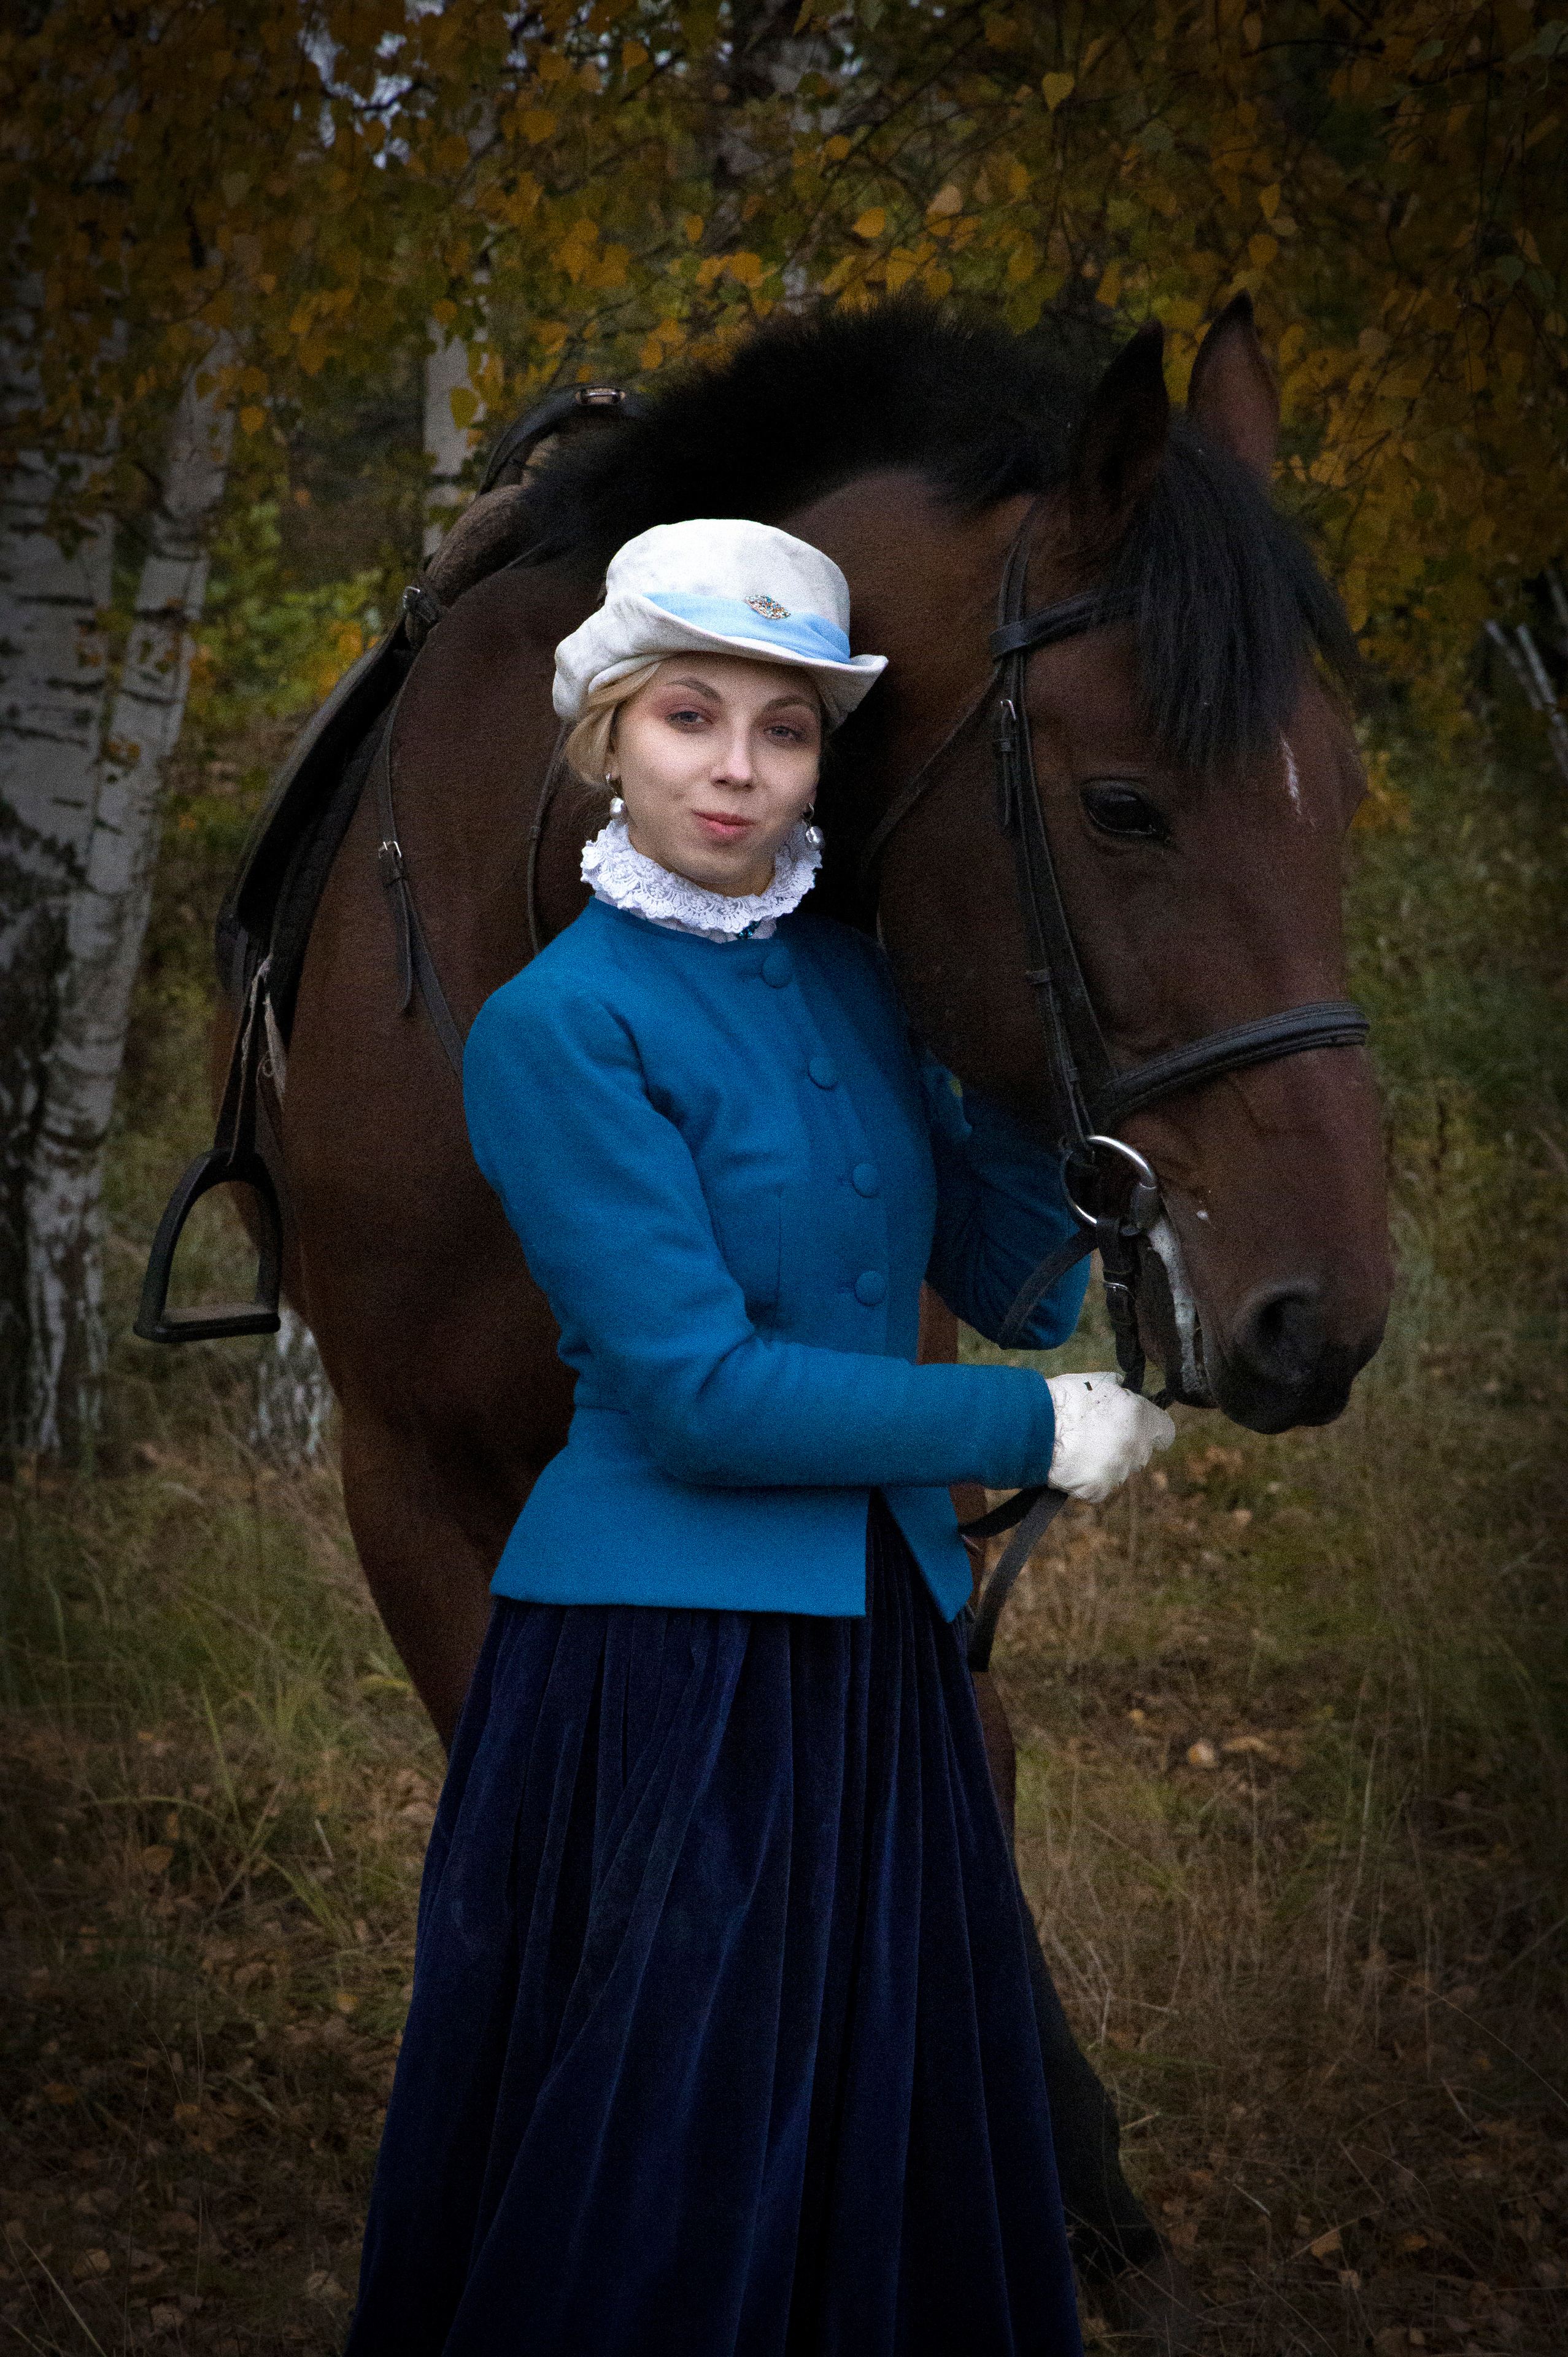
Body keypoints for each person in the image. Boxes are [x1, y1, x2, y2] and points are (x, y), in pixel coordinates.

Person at [346, 519, 1175, 2355]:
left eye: (785, 730)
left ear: (825, 762)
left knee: (864, 2141)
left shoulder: (863, 990)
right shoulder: (558, 1029)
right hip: (665, 1673)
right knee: (670, 2164)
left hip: (877, 1661)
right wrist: (1027, 1428)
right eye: (689, 717)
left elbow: (1009, 1279)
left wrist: (1053, 1101)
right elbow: (701, 1396)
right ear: (608, 741)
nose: (736, 767)